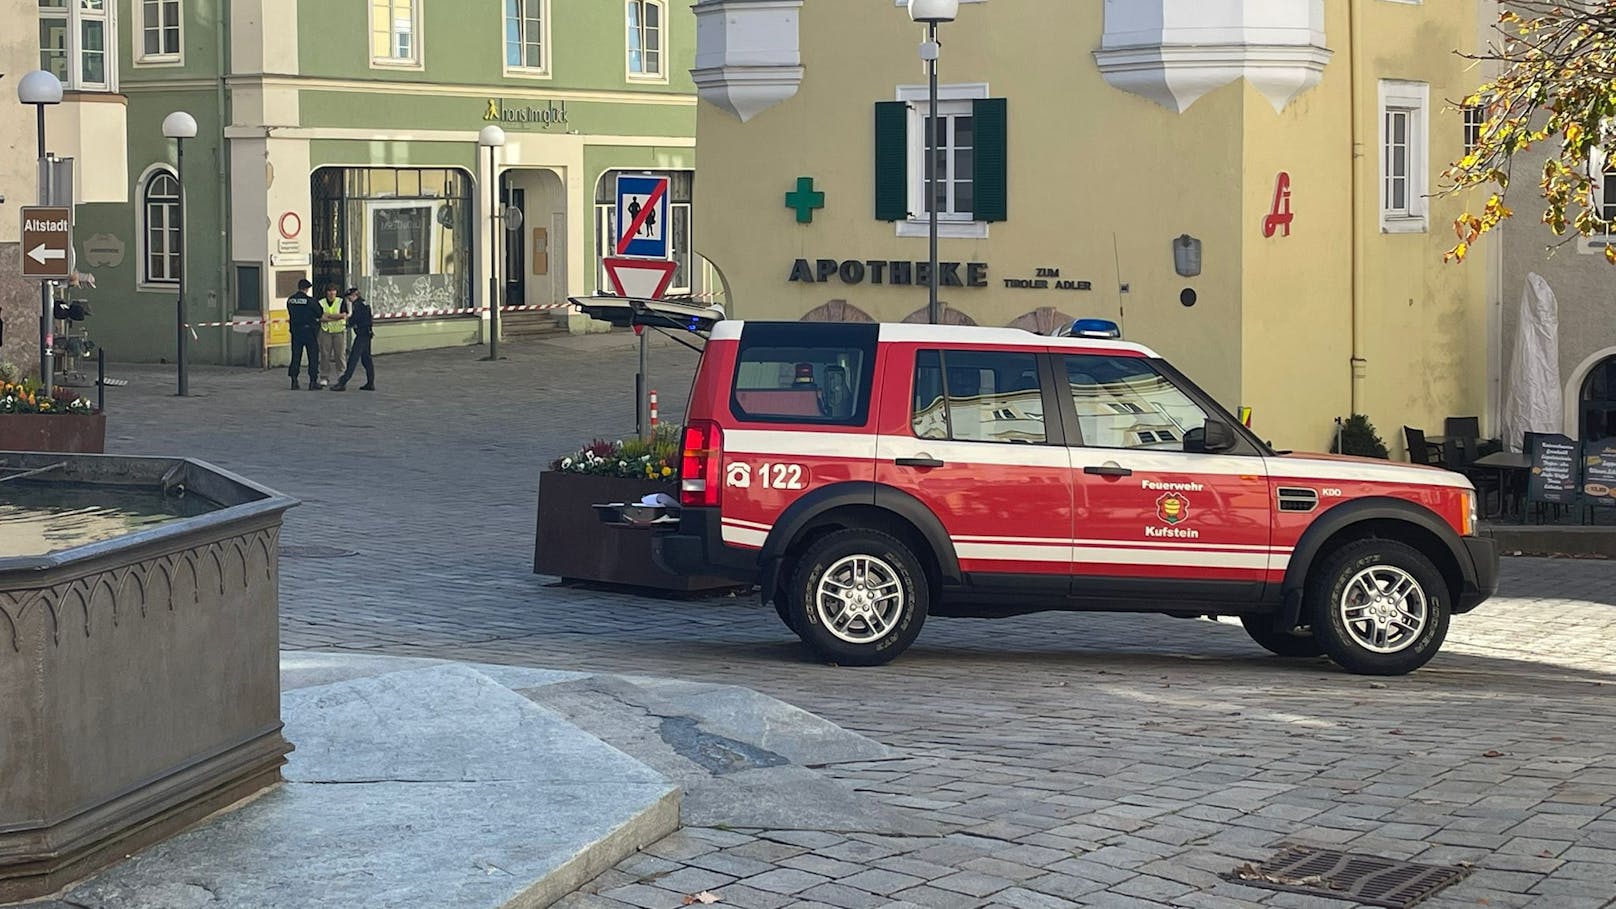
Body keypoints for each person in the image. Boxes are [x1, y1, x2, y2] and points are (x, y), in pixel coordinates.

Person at [332, 287, 375, 391]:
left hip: (362, 335)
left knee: (353, 359)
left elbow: (356, 319)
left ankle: (342, 383)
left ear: (354, 295)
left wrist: (348, 322)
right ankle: (370, 383)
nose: (349, 299)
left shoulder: (359, 306)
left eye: (349, 297)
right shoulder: (363, 304)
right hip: (366, 334)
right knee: (366, 360)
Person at [285, 278, 320, 390]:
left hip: (296, 332)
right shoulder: (310, 301)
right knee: (312, 356)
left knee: (296, 356)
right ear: (307, 289)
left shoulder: (290, 300)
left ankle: (294, 380)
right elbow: (319, 312)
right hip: (309, 331)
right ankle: (313, 382)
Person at [316, 285, 349, 389]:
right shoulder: (321, 302)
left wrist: (328, 316)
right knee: (325, 355)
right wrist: (336, 317)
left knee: (340, 355)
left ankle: (341, 377)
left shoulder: (341, 301)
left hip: (339, 331)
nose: (331, 293)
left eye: (333, 291)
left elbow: (343, 315)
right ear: (326, 292)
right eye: (329, 291)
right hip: (325, 331)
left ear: (336, 292)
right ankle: (324, 377)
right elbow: (320, 317)